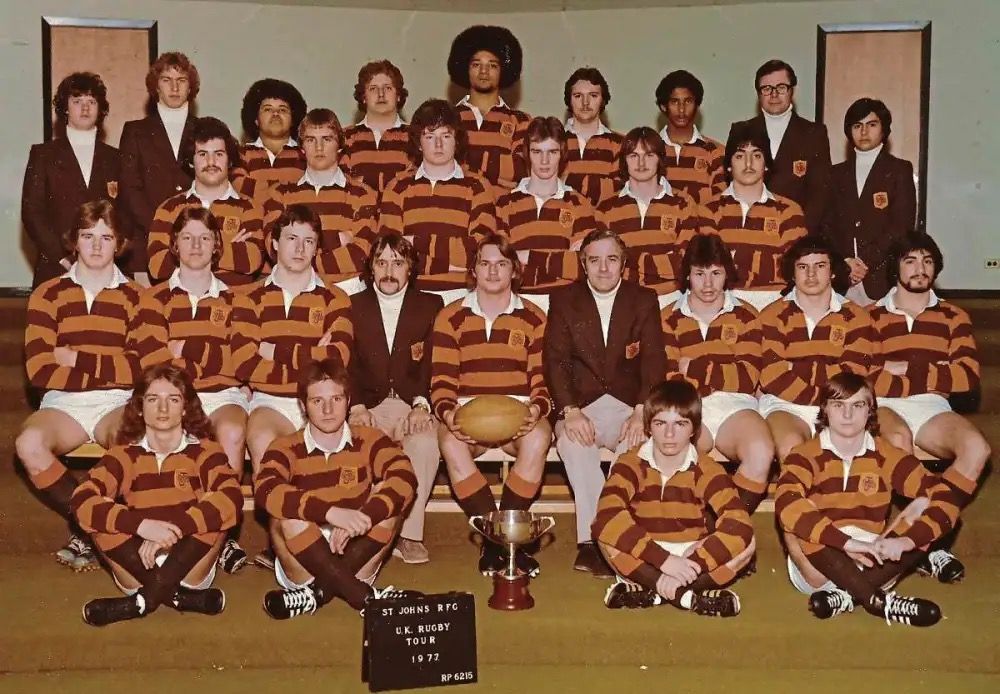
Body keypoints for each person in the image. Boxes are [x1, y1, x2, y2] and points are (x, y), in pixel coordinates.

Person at [775, 372, 960, 627]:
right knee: (795, 510)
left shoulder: (886, 455)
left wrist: (907, 541)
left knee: (925, 504)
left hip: (872, 561)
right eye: (838, 405)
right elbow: (787, 503)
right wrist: (847, 544)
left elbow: (945, 497)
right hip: (819, 565)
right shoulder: (804, 454)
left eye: (858, 405)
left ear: (870, 410)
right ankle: (877, 602)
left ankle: (848, 596)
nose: (847, 415)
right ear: (825, 409)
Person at [17, 200, 141, 571]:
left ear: (119, 243)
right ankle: (95, 524)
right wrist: (110, 365)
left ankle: (92, 529)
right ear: (74, 241)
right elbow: (40, 370)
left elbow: (139, 369)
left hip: (117, 401)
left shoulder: (137, 296)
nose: (97, 246)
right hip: (63, 403)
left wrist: (75, 358)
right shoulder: (48, 293)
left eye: (106, 237)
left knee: (134, 441)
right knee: (28, 443)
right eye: (88, 236)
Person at [72, 364, 243, 626]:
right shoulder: (123, 454)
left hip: (190, 562)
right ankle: (174, 597)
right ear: (140, 407)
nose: (163, 409)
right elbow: (81, 500)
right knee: (98, 510)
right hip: (137, 560)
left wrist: (177, 528)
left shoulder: (205, 451)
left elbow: (232, 496)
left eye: (173, 400)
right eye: (153, 399)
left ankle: (142, 602)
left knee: (218, 503)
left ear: (185, 407)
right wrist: (141, 526)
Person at [255, 358, 420, 619]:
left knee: (389, 502)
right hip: (302, 559)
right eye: (317, 401)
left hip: (356, 550)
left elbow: (405, 477)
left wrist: (367, 515)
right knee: (285, 514)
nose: (328, 409)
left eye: (336, 399)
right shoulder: (284, 446)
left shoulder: (370, 438)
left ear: (348, 400)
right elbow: (265, 489)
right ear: (303, 405)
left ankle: (317, 594)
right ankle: (364, 597)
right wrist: (331, 513)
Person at [135, 207, 251, 573]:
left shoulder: (237, 299)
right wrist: (210, 357)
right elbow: (154, 361)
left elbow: (240, 362)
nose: (196, 245)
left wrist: (184, 349)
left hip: (222, 395)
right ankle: (172, 527)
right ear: (174, 245)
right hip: (171, 395)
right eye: (187, 237)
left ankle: (220, 535)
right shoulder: (153, 298)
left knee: (231, 431)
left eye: (205, 238)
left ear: (217, 245)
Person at [544, 228, 665, 575]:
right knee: (573, 444)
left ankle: (620, 536)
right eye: (594, 260)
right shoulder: (563, 300)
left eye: (611, 259)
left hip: (630, 406)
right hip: (582, 407)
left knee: (636, 449)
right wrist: (570, 412)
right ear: (583, 264)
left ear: (623, 264)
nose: (603, 268)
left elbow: (654, 360)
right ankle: (595, 540)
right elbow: (555, 361)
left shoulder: (643, 299)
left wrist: (642, 412)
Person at [871, 233, 989, 582]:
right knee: (897, 439)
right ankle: (929, 546)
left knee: (977, 448)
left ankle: (920, 539)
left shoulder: (953, 316)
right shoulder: (869, 315)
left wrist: (904, 368)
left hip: (932, 407)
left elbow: (966, 377)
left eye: (927, 261)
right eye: (910, 261)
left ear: (936, 268)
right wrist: (935, 372)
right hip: (885, 404)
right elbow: (864, 375)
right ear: (895, 268)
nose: (919, 269)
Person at [432, 234, 552, 576]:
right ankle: (496, 541)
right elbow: (441, 379)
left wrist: (537, 409)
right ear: (474, 270)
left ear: (514, 270)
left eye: (501, 264)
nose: (493, 271)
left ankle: (508, 539)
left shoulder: (534, 317)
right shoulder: (451, 316)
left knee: (539, 438)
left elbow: (542, 378)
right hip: (468, 412)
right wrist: (448, 413)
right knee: (450, 443)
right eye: (485, 263)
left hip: (519, 410)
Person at [593, 380, 755, 616]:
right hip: (645, 554)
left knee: (748, 544)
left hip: (690, 557)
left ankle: (654, 590)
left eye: (680, 424)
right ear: (649, 426)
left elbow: (738, 522)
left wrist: (696, 561)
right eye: (660, 423)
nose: (669, 434)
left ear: (694, 429)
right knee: (605, 532)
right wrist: (663, 561)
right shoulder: (630, 463)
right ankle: (688, 596)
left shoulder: (706, 468)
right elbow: (608, 514)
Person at [348, 235, 443, 564]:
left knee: (425, 442)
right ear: (371, 268)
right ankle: (358, 528)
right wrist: (356, 406)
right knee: (354, 443)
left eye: (398, 263)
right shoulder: (351, 306)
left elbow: (435, 363)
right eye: (381, 263)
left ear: (410, 269)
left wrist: (421, 404)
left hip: (411, 402)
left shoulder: (430, 306)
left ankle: (408, 534)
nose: (389, 271)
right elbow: (345, 363)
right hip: (366, 405)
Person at [661, 235, 773, 513]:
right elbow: (669, 377)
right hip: (687, 405)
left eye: (716, 273)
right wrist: (719, 374)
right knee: (672, 454)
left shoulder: (746, 315)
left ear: (727, 274)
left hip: (735, 406)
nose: (708, 284)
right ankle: (682, 527)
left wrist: (694, 368)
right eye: (700, 274)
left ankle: (726, 525)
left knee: (761, 452)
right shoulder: (667, 317)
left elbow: (747, 378)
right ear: (688, 276)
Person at [758, 236, 874, 460]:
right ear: (793, 273)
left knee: (844, 452)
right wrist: (827, 371)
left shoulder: (856, 316)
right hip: (785, 405)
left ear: (833, 272)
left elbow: (852, 373)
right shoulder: (771, 315)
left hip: (841, 405)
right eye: (803, 267)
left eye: (820, 266)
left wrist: (795, 367)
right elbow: (772, 376)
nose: (811, 274)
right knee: (791, 446)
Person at [378, 98, 496, 303]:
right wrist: (450, 264)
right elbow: (392, 256)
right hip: (412, 295)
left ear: (457, 140)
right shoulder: (397, 187)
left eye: (446, 136)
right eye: (430, 136)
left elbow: (479, 253)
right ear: (418, 142)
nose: (438, 144)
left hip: (463, 295)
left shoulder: (478, 187)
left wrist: (417, 242)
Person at [23, 71, 122, 287]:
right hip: (56, 267)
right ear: (65, 108)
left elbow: (124, 214)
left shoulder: (116, 157)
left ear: (100, 108)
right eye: (77, 101)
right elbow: (32, 213)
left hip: (104, 267)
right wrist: (63, 257)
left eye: (91, 101)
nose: (85, 108)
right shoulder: (43, 155)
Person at [264, 108, 379, 293]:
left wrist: (298, 253)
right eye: (311, 140)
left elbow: (361, 255)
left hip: (348, 290)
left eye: (327, 139)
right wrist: (337, 239)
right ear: (301, 147)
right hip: (295, 289)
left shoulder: (363, 194)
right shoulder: (280, 194)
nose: (319, 147)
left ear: (339, 145)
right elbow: (273, 249)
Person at [146, 117, 265, 287]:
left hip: (233, 300)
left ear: (230, 160)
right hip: (182, 301)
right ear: (191, 161)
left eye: (219, 154)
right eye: (202, 154)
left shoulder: (250, 208)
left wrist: (185, 247)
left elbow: (252, 259)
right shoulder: (169, 208)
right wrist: (227, 247)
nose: (211, 162)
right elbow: (157, 266)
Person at [699, 124, 807, 311]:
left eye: (756, 156)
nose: (748, 164)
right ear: (729, 165)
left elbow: (795, 269)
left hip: (777, 303)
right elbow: (709, 268)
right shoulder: (709, 210)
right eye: (740, 156)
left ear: (766, 164)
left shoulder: (789, 211)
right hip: (722, 302)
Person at [496, 116, 597, 308]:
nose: (544, 160)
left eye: (552, 152)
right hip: (517, 302)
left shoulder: (578, 204)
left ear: (562, 154)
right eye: (537, 152)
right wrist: (560, 261)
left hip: (565, 303)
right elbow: (501, 264)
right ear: (527, 153)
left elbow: (583, 266)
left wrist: (527, 256)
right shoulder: (505, 204)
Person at [823, 98, 917, 305]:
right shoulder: (834, 174)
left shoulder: (899, 170)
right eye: (857, 126)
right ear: (849, 132)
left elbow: (901, 226)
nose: (864, 132)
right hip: (843, 277)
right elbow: (827, 225)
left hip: (881, 276)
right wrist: (846, 262)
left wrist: (865, 262)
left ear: (884, 129)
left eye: (871, 124)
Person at [595, 127, 701, 304]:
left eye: (649, 155)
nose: (641, 163)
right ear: (624, 160)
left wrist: (628, 259)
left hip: (671, 299)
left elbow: (684, 262)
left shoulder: (683, 203)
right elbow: (605, 267)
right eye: (633, 156)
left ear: (660, 159)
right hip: (623, 301)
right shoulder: (605, 209)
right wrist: (661, 262)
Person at [119, 52, 198, 286]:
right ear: (156, 86)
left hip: (197, 243)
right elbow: (130, 189)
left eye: (181, 80)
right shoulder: (135, 131)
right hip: (147, 243)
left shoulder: (204, 129)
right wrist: (161, 226)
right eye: (166, 80)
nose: (174, 87)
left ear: (190, 87)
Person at [728, 59, 830, 234]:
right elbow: (731, 183)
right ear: (758, 93)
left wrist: (799, 234)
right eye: (767, 89)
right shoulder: (740, 130)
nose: (774, 94)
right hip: (749, 231)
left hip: (797, 232)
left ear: (792, 91)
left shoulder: (814, 133)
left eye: (781, 87)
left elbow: (820, 194)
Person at [447, 24, 530, 194]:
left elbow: (521, 170)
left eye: (492, 65)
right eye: (476, 64)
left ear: (504, 71)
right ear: (465, 68)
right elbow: (438, 168)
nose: (484, 71)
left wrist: (467, 165)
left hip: (505, 208)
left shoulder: (522, 121)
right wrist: (498, 174)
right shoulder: (447, 117)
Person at [655, 69, 725, 205]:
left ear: (697, 105)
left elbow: (720, 206)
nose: (681, 109)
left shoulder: (716, 153)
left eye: (688, 101)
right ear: (663, 106)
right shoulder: (647, 152)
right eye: (674, 102)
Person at [340, 60, 412, 194]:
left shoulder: (415, 136)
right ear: (363, 97)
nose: (381, 94)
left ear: (398, 95)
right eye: (373, 89)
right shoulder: (345, 138)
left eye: (388, 88)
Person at [233, 78, 308, 204]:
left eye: (283, 109)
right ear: (256, 119)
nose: (276, 114)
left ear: (293, 120)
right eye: (268, 109)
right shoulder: (239, 156)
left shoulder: (307, 155)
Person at [562, 67, 623, 207]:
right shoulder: (554, 140)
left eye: (593, 95)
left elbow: (618, 193)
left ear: (602, 100)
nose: (585, 102)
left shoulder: (620, 144)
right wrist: (598, 185)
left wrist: (569, 179)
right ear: (569, 100)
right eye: (578, 96)